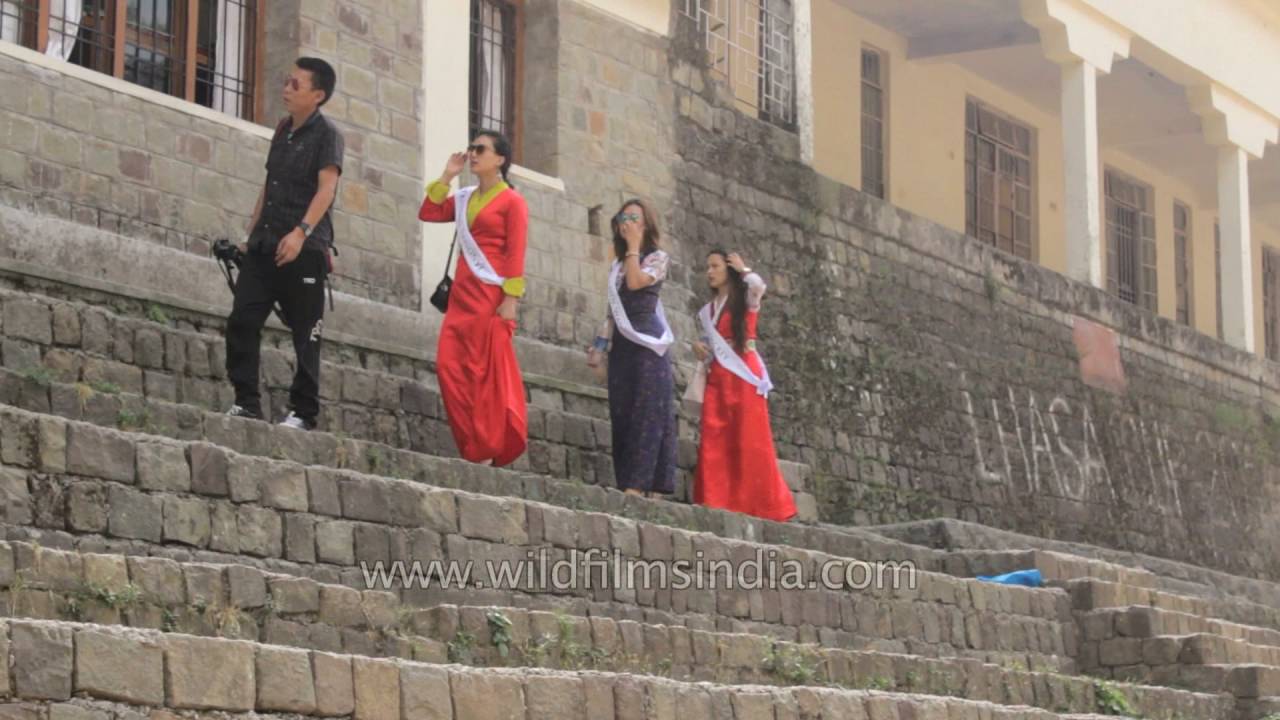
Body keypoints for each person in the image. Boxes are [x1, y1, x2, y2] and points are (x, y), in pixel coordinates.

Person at [225, 57, 344, 430]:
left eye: (296, 84)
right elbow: (269, 183)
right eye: (286, 81)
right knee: (242, 320)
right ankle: (246, 403)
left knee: (306, 332)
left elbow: (327, 189)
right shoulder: (282, 129)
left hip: (304, 249)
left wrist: (300, 233)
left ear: (318, 95)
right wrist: (251, 232)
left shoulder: (328, 135)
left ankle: (304, 412)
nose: (286, 89)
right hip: (265, 243)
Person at [418, 131, 529, 466]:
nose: (473, 154)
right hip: (462, 296)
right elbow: (430, 212)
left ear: (500, 159)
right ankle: (472, 442)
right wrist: (448, 175)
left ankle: (484, 446)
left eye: (481, 149)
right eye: (472, 148)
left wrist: (511, 299)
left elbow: (515, 251)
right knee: (448, 366)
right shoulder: (465, 196)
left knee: (482, 372)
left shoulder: (513, 201)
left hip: (490, 296)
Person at [692, 250, 796, 521]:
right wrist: (699, 348)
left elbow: (758, 286)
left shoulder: (745, 300)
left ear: (728, 269)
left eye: (715, 266)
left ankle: (761, 505)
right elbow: (708, 341)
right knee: (716, 438)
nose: (710, 272)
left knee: (749, 439)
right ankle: (716, 500)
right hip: (718, 377)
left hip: (743, 376)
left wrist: (744, 269)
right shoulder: (708, 310)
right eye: (708, 266)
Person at [587, 200, 677, 497]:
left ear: (646, 224)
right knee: (623, 412)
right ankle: (626, 480)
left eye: (634, 217)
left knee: (647, 413)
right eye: (624, 217)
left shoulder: (658, 257)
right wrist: (599, 348)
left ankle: (639, 486)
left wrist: (634, 247)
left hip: (647, 343)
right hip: (623, 347)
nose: (628, 222)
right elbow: (611, 311)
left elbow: (638, 283)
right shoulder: (616, 266)